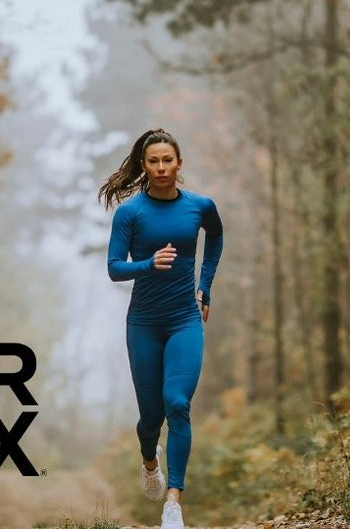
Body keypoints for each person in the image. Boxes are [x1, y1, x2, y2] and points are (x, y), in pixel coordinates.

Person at [99, 128, 224, 529]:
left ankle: (174, 501)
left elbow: (216, 237)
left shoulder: (200, 207)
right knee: (151, 418)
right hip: (144, 324)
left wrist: (204, 284)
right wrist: (148, 264)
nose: (160, 167)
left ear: (179, 163)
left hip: (184, 319)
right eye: (153, 161)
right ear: (143, 165)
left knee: (178, 403)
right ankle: (149, 460)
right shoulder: (130, 213)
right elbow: (115, 268)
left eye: (167, 160)